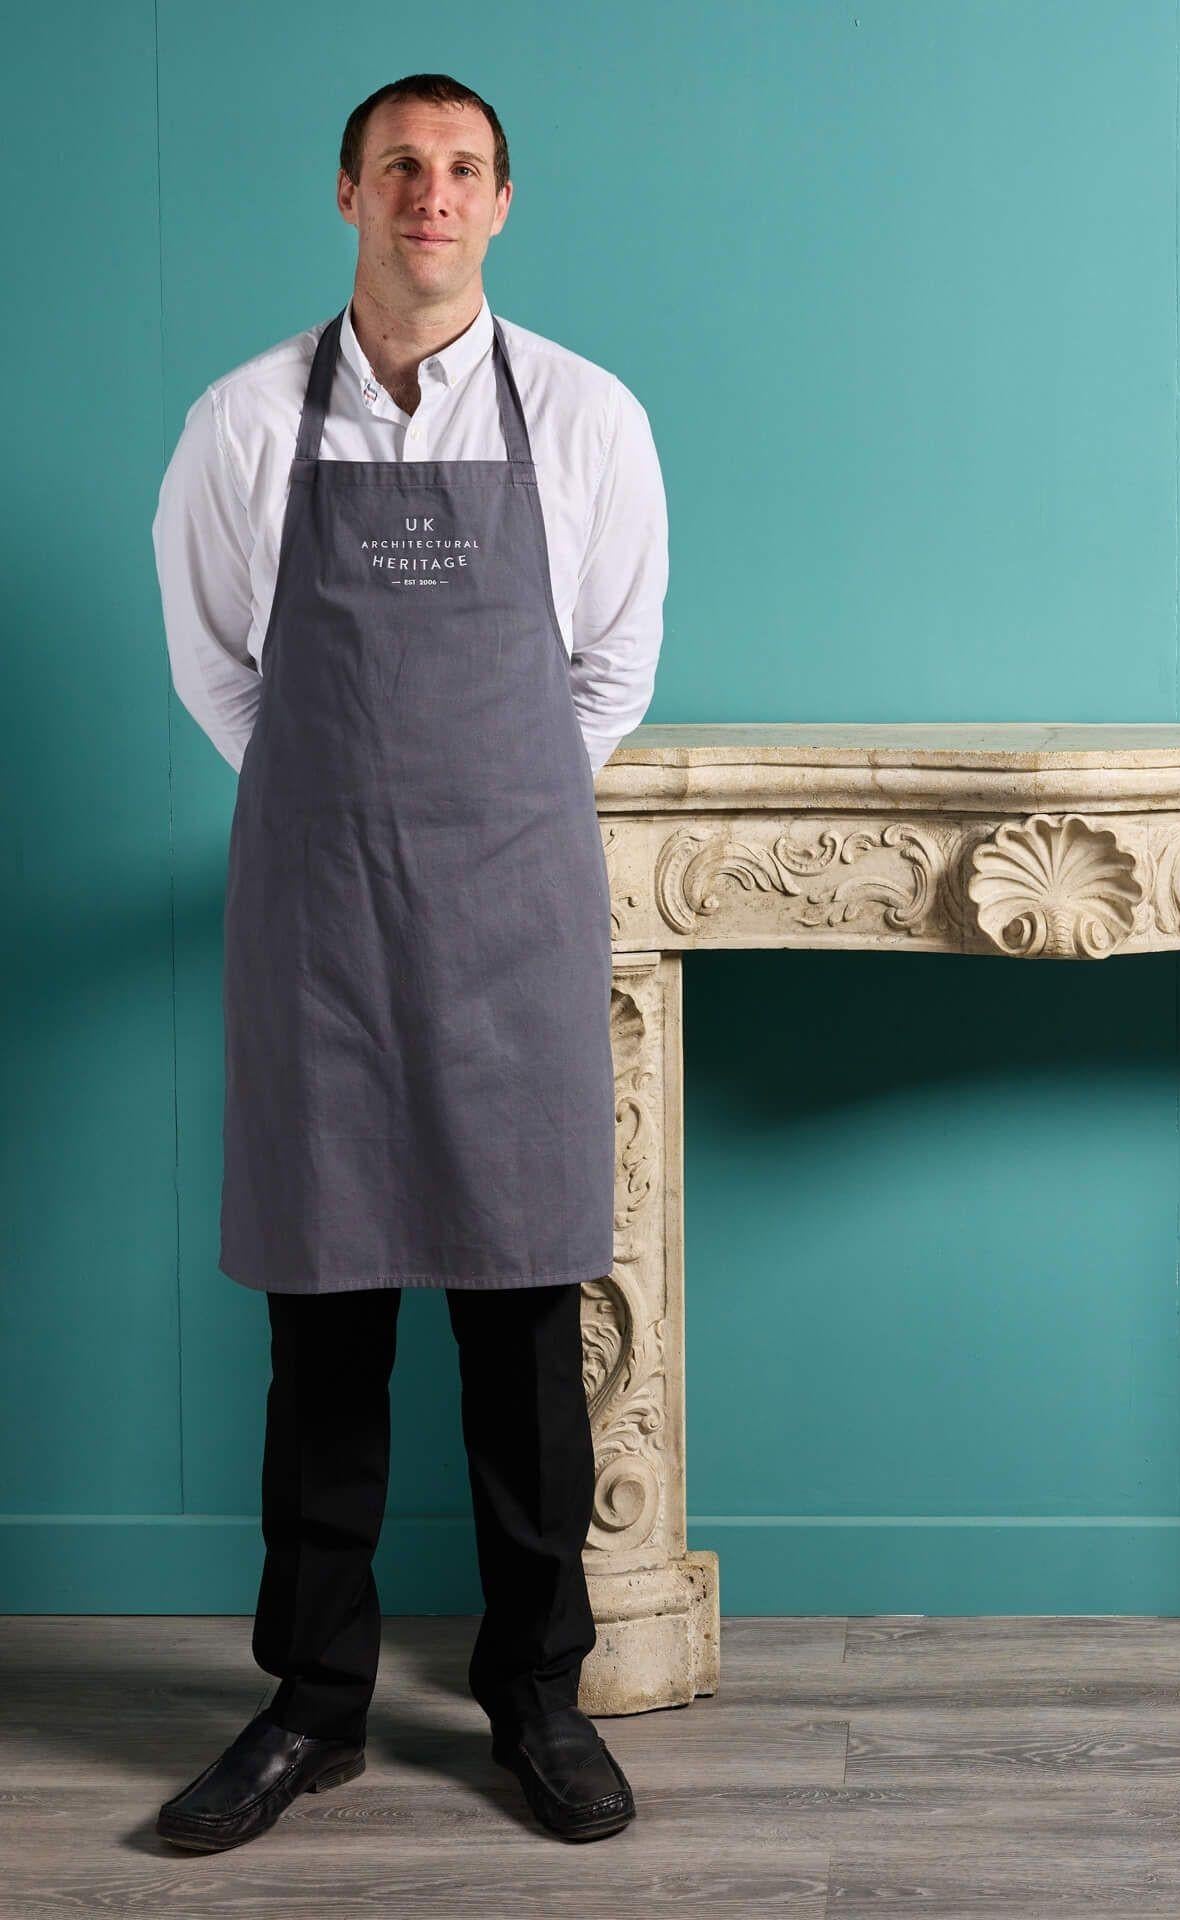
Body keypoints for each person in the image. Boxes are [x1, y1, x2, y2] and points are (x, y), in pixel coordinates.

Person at [148, 72, 668, 1849]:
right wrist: (336, 801)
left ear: (501, 205)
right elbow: (223, 668)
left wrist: (487, 807)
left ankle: (538, 1697)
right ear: (348, 197)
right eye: (399, 170)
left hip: (514, 914)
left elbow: (609, 674)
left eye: (459, 173)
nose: (428, 197)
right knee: (326, 1323)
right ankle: (312, 1704)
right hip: (319, 922)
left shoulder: (588, 418)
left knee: (525, 1325)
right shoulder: (241, 424)